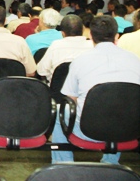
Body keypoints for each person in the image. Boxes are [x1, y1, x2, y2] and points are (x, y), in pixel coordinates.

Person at [51, 15, 140, 164]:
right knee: (121, 108)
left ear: (90, 35)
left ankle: (63, 164)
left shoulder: (80, 61)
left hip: (87, 130)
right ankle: (111, 162)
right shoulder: (135, 60)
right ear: (117, 36)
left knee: (61, 109)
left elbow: (71, 98)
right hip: (128, 129)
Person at [37, 15, 93, 84]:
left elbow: (41, 71)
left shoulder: (56, 45)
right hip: (86, 90)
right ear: (83, 29)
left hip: (58, 92)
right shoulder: (93, 46)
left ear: (62, 33)